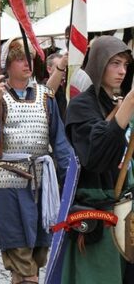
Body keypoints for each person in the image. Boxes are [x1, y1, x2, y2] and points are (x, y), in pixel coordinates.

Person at [0, 38, 72, 284]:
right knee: (19, 250)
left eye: (28, 58)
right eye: (19, 58)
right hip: (7, 181)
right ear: (7, 64)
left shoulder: (45, 96)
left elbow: (59, 141)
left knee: (36, 253)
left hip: (42, 181)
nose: (26, 64)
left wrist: (70, 177)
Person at [61, 35, 134, 283]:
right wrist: (127, 108)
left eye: (125, 64)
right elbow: (96, 156)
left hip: (126, 213)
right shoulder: (81, 106)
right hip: (98, 216)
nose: (122, 71)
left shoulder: (118, 103)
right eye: (115, 63)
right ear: (99, 64)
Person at [45, 52, 68, 121]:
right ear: (49, 69)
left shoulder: (67, 86)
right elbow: (48, 92)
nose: (64, 70)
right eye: (58, 66)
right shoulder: (41, 87)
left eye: (65, 67)